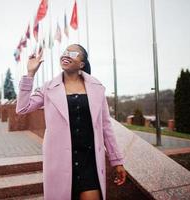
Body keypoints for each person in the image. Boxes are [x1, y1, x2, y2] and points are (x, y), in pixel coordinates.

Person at [16, 44, 126, 200]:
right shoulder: (48, 88)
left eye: (73, 53)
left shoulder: (97, 88)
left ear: (82, 64)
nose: (66, 55)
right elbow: (22, 108)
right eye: (65, 52)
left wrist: (117, 161)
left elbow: (106, 126)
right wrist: (30, 74)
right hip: (60, 162)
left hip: (89, 161)